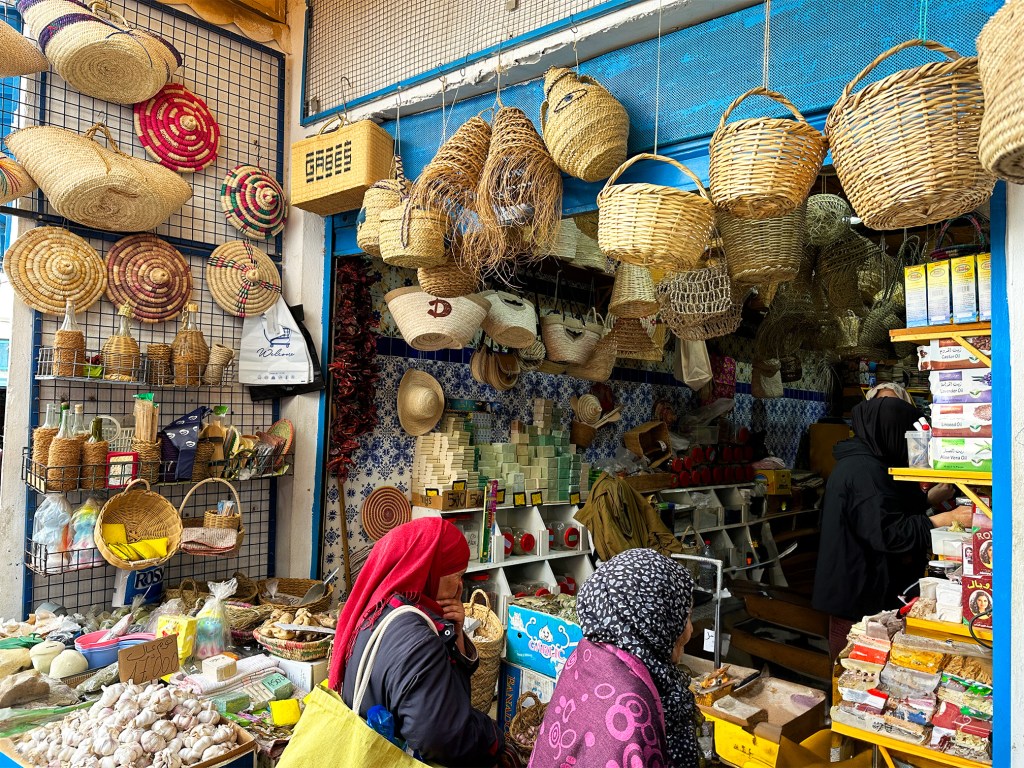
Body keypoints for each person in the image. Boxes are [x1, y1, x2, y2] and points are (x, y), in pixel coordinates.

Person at [327, 517, 503, 766]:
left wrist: (456, 632)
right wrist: (492, 735)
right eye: (458, 575)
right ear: (430, 569)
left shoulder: (381, 608)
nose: (460, 586)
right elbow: (441, 738)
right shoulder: (419, 640)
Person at [812, 398, 973, 658]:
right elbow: (888, 533)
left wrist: (926, 500)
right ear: (891, 431)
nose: (910, 445)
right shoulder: (864, 470)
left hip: (860, 588)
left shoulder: (865, 460)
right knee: (858, 669)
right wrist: (946, 519)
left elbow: (881, 511)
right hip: (858, 597)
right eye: (906, 435)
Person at [529, 548, 700, 768]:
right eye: (685, 617)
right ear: (653, 618)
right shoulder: (632, 713)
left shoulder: (588, 654)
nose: (691, 629)